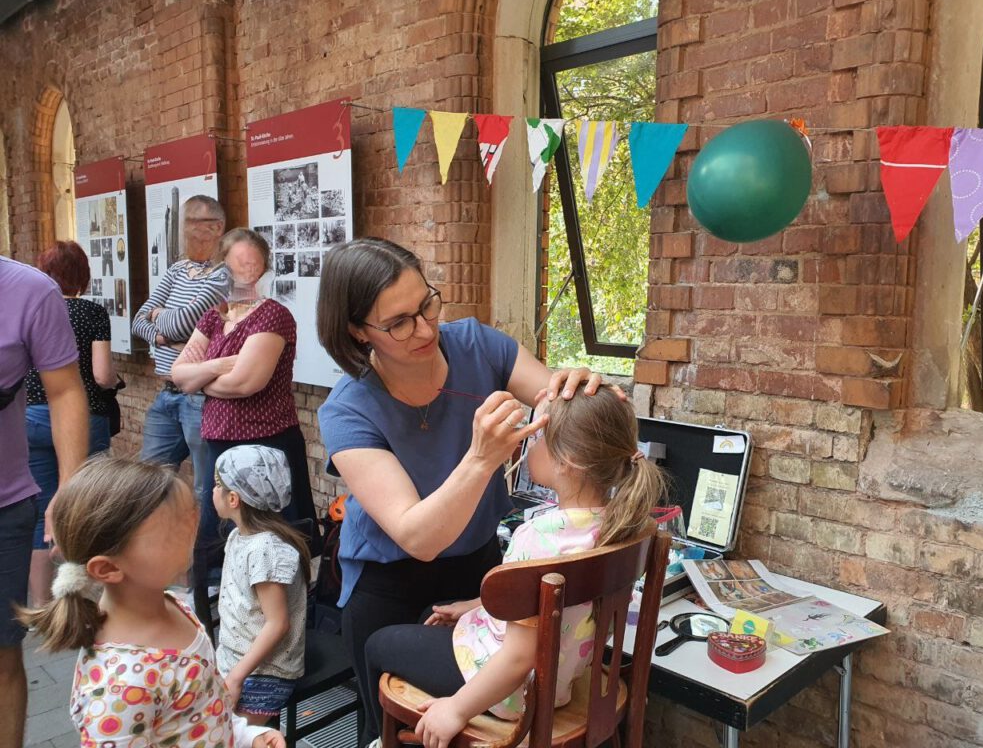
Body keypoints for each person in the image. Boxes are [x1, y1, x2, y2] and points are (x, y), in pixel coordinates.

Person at [314, 236, 613, 746]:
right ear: (356, 331)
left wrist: (583, 390)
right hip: (389, 586)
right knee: (391, 731)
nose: (425, 328)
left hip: (481, 570)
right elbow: (419, 537)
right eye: (399, 322)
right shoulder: (347, 410)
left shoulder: (478, 345)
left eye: (427, 304)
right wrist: (480, 457)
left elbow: (559, 411)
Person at [364, 387, 666, 747]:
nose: (526, 446)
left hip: (514, 694)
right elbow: (549, 606)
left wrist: (455, 710)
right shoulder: (624, 526)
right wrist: (477, 606)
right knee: (433, 612)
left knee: (377, 644)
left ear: (566, 460)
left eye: (535, 437)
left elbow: (519, 657)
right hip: (563, 676)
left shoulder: (537, 538)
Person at [16, 457, 285, 748]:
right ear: (108, 568)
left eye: (189, 515)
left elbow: (205, 708)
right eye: (174, 528)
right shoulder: (119, 689)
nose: (193, 527)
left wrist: (245, 735)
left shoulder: (173, 605)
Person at [171, 228, 317, 547]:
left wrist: (200, 380)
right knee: (220, 539)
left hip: (266, 445)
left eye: (254, 265)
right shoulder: (213, 318)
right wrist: (218, 366)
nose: (246, 274)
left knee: (272, 542)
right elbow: (178, 374)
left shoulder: (272, 315)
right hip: (220, 443)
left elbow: (245, 383)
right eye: (237, 265)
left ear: (264, 269)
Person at [0, 255, 89, 748]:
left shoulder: (29, 291)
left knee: (1, 653)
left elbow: (65, 390)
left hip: (4, 506)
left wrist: (69, 487)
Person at [24, 241, 118, 607]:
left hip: (33, 416)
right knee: (85, 507)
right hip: (83, 418)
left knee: (41, 513)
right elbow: (102, 375)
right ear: (82, 275)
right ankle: (85, 601)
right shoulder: (91, 312)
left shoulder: (32, 308)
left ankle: (43, 608)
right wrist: (115, 382)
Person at [132, 194, 228, 500]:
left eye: (191, 222)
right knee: (146, 482)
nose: (184, 231)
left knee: (205, 489)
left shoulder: (224, 274)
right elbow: (137, 321)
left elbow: (184, 323)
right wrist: (164, 339)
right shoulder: (177, 270)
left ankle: (203, 535)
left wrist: (160, 316)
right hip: (167, 394)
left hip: (200, 397)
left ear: (216, 227)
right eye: (184, 223)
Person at [212, 445, 309, 725]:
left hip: (264, 674)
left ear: (233, 499)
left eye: (217, 485)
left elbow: (277, 624)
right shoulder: (238, 537)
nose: (212, 491)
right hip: (233, 659)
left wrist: (236, 678)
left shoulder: (265, 550)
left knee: (231, 739)